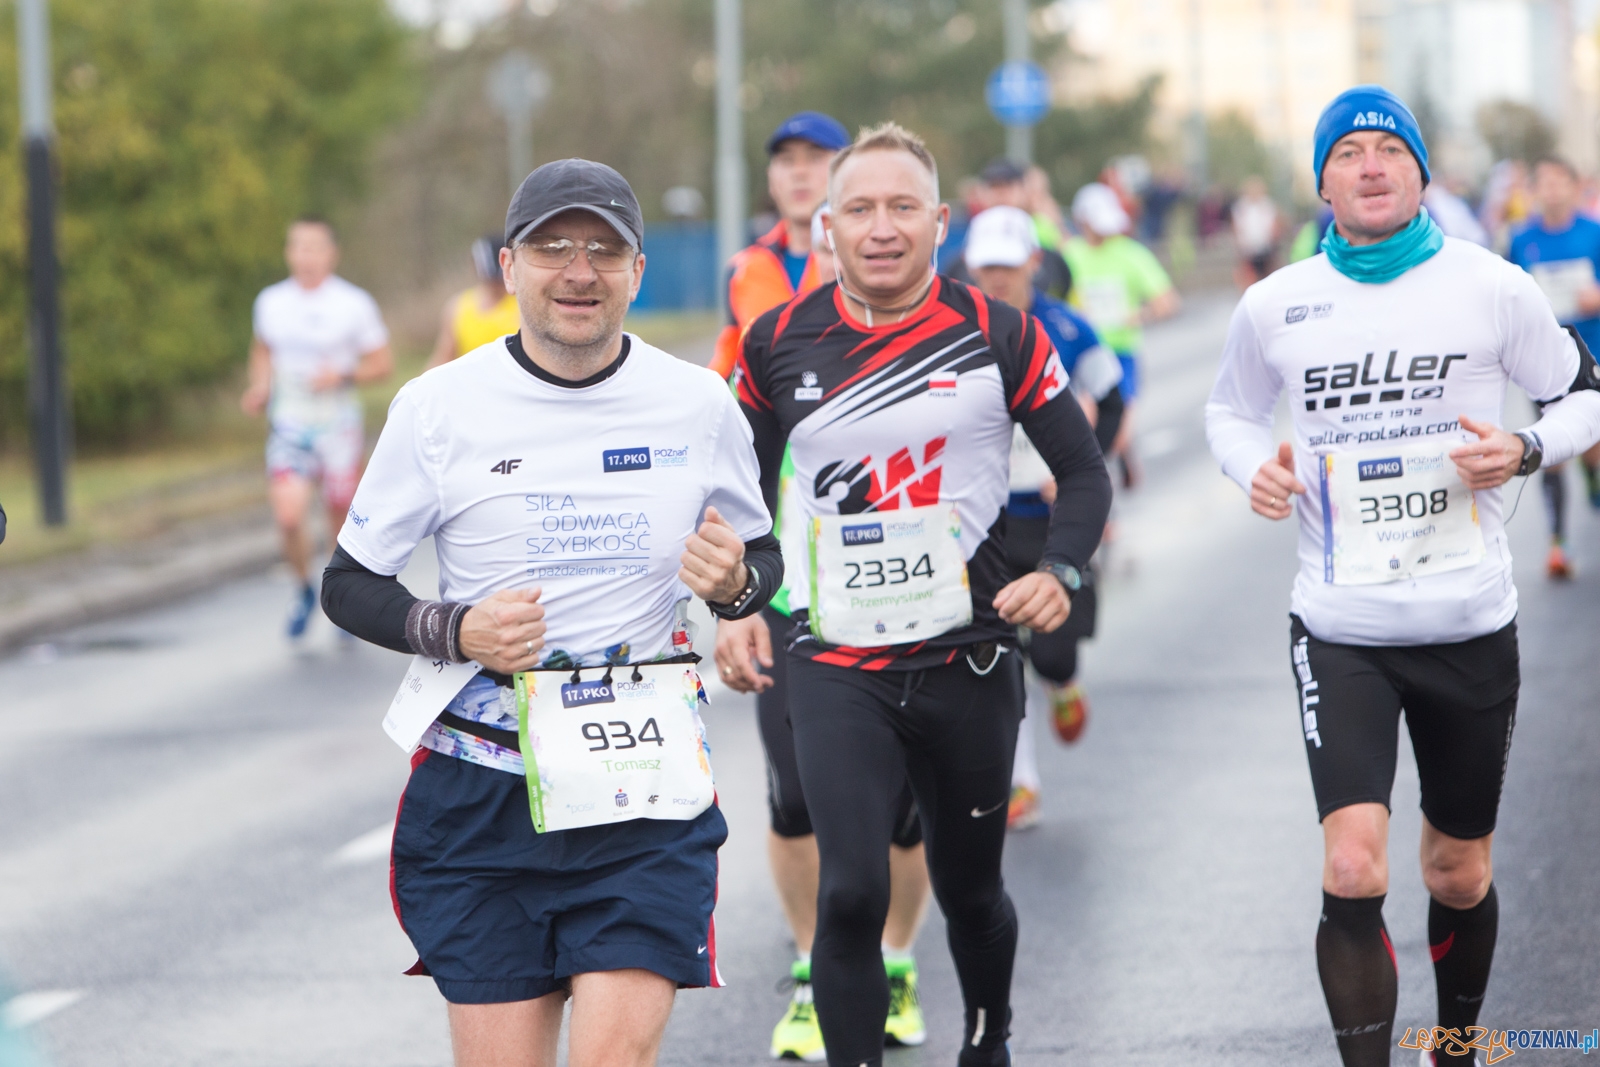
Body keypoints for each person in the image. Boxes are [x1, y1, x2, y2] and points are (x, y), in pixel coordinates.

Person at [321, 159, 783, 1067]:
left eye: (606, 251)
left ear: (638, 273)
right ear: (510, 267)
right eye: (554, 248)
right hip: (481, 797)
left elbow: (759, 559)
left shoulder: (697, 402)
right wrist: (456, 630)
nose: (580, 271)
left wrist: (733, 588)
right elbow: (349, 582)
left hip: (642, 797)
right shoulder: (438, 407)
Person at [1206, 86, 1600, 1067]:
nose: (1370, 166)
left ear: (1420, 171)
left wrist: (1520, 447)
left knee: (1456, 869)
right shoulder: (1276, 302)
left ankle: (1456, 1043)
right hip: (1340, 624)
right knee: (1351, 861)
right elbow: (1230, 411)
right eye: (1348, 153)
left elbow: (1582, 394)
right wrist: (1250, 464)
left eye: (1389, 149)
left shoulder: (1490, 285)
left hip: (1468, 620)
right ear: (1323, 181)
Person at [719, 122, 1113, 1067]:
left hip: (966, 656)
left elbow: (1085, 473)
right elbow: (737, 498)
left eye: (903, 207)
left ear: (941, 221)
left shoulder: (998, 331)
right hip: (835, 657)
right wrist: (736, 606)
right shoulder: (777, 342)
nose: (882, 226)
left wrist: (1059, 572)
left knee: (972, 889)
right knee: (850, 888)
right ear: (827, 227)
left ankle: (989, 1039)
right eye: (860, 208)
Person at [962, 205, 1124, 830]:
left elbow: (1111, 400)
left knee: (1051, 653)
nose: (998, 279)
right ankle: (1019, 780)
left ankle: (1065, 683)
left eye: (1009, 265)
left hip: (1051, 516)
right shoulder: (954, 330)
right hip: (984, 520)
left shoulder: (1067, 327)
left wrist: (1086, 468)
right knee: (997, 654)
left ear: (1033, 261)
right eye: (987, 267)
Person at [240, 218, 392, 640]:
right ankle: (304, 588)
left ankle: (339, 601)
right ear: (289, 253)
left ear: (331, 253)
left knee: (338, 519)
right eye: (298, 247)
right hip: (289, 426)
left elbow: (382, 364)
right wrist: (259, 387)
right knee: (289, 517)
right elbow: (263, 350)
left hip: (338, 428)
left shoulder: (353, 303)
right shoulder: (270, 301)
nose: (305, 256)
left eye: (314, 247)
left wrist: (341, 375)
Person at [1508, 155, 1600, 577]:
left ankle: (1594, 486)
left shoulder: (1593, 234)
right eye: (1542, 182)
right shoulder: (1521, 239)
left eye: (1558, 181)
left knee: (1593, 449)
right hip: (1542, 366)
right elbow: (1508, 297)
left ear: (1574, 186)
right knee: (1549, 452)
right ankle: (1558, 542)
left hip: (1592, 358)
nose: (1551, 190)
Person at [708, 111, 851, 379]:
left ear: (849, 171)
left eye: (815, 158)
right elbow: (725, 367)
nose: (799, 172)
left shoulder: (870, 260)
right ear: (771, 178)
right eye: (786, 160)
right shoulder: (742, 269)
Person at [1062, 182, 1180, 487]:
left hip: (1120, 356)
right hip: (1079, 355)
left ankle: (1121, 451)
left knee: (1114, 435)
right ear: (1081, 221)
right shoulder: (1068, 255)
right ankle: (1094, 499)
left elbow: (1167, 301)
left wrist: (1140, 315)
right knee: (1084, 429)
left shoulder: (1131, 254)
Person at [944, 158, 1073, 298]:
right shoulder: (960, 261)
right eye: (994, 186)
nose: (1001, 193)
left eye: (1009, 186)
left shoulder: (1049, 249)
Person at [425, 234, 522, 370]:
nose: (496, 285)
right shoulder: (458, 308)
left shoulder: (521, 305)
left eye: (499, 280)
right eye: (491, 280)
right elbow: (443, 358)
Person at [1231, 176, 1283, 288]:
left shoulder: (1268, 205)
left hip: (1266, 247)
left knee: (1267, 276)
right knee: (1249, 278)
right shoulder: (1241, 207)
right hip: (1248, 249)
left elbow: (1275, 224)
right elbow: (1237, 226)